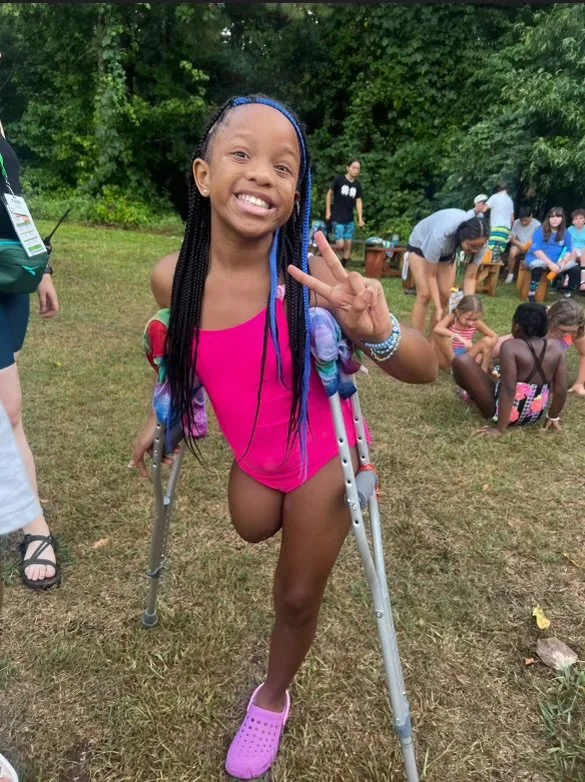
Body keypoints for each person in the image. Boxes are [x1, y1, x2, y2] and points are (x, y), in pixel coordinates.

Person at [130, 95, 438, 781]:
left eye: (283, 166)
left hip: (323, 450)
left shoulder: (312, 279)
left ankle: (271, 697)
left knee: (296, 595)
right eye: (242, 155)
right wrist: (166, 410)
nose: (262, 174)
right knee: (248, 523)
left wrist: (376, 332)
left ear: (296, 194)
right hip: (256, 450)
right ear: (205, 175)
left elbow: (426, 368)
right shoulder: (172, 275)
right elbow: (182, 352)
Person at [0, 120, 60, 589]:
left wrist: (41, 267)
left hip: (5, 278)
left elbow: (12, 197)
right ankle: (32, 524)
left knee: (9, 411)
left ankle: (33, 524)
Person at [452, 303, 567, 436]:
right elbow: (561, 388)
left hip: (506, 414)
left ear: (517, 326)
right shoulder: (556, 347)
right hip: (534, 414)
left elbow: (509, 389)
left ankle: (470, 394)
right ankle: (472, 394)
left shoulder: (510, 347)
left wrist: (500, 428)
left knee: (461, 361)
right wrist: (553, 416)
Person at [406, 209, 488, 332]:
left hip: (447, 250)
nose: (475, 250)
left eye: (479, 247)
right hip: (421, 245)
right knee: (425, 294)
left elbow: (470, 277)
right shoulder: (439, 237)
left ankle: (434, 341)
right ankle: (417, 340)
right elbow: (431, 276)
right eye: (471, 246)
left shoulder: (482, 242)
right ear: (462, 237)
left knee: (445, 295)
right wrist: (438, 307)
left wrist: (471, 306)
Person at [524, 207, 579, 301]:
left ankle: (568, 293)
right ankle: (531, 294)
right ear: (548, 218)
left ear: (562, 218)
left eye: (558, 216)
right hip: (536, 258)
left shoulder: (566, 232)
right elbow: (536, 250)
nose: (555, 219)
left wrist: (563, 262)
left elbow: (569, 250)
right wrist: (550, 264)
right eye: (552, 216)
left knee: (574, 267)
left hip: (556, 261)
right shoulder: (539, 230)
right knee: (538, 264)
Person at [433, 295, 497, 372]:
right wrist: (459, 337)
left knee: (488, 340)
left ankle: (483, 371)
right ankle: (456, 366)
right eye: (467, 319)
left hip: (466, 354)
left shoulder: (476, 323)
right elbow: (437, 329)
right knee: (442, 335)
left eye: (475, 319)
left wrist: (482, 354)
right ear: (458, 312)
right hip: (450, 354)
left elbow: (494, 336)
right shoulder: (452, 318)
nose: (470, 323)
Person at [325, 159, 364, 267]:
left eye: (357, 168)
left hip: (349, 219)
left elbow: (359, 201)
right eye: (353, 167)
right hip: (337, 217)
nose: (355, 170)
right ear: (348, 168)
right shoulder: (339, 180)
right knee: (340, 244)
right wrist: (328, 211)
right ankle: (329, 257)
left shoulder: (357, 185)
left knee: (348, 245)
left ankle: (342, 267)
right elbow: (329, 194)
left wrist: (360, 218)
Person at [547, 298, 585, 396]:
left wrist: (579, 383)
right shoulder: (537, 323)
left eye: (573, 331)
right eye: (563, 331)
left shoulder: (577, 331)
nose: (567, 334)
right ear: (551, 322)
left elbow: (584, 353)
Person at [504, 206, 541, 284]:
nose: (523, 222)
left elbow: (537, 241)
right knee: (512, 253)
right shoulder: (516, 222)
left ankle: (526, 278)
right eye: (521, 220)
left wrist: (527, 247)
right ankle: (510, 274)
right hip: (519, 244)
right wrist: (521, 245)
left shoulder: (537, 225)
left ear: (531, 216)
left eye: (525, 220)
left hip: (531, 246)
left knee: (531, 255)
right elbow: (512, 238)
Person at [485, 182, 515, 260]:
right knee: (498, 249)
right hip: (505, 229)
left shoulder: (494, 197)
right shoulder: (510, 200)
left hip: (496, 227)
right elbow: (512, 219)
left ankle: (487, 267)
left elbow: (484, 209)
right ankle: (495, 264)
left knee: (490, 248)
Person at [568, 207, 585, 292]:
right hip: (572, 250)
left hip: (583, 250)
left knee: (583, 254)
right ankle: (567, 279)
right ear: (573, 221)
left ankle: (583, 282)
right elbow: (567, 242)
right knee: (573, 252)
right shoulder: (570, 229)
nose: (578, 220)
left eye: (581, 218)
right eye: (576, 218)